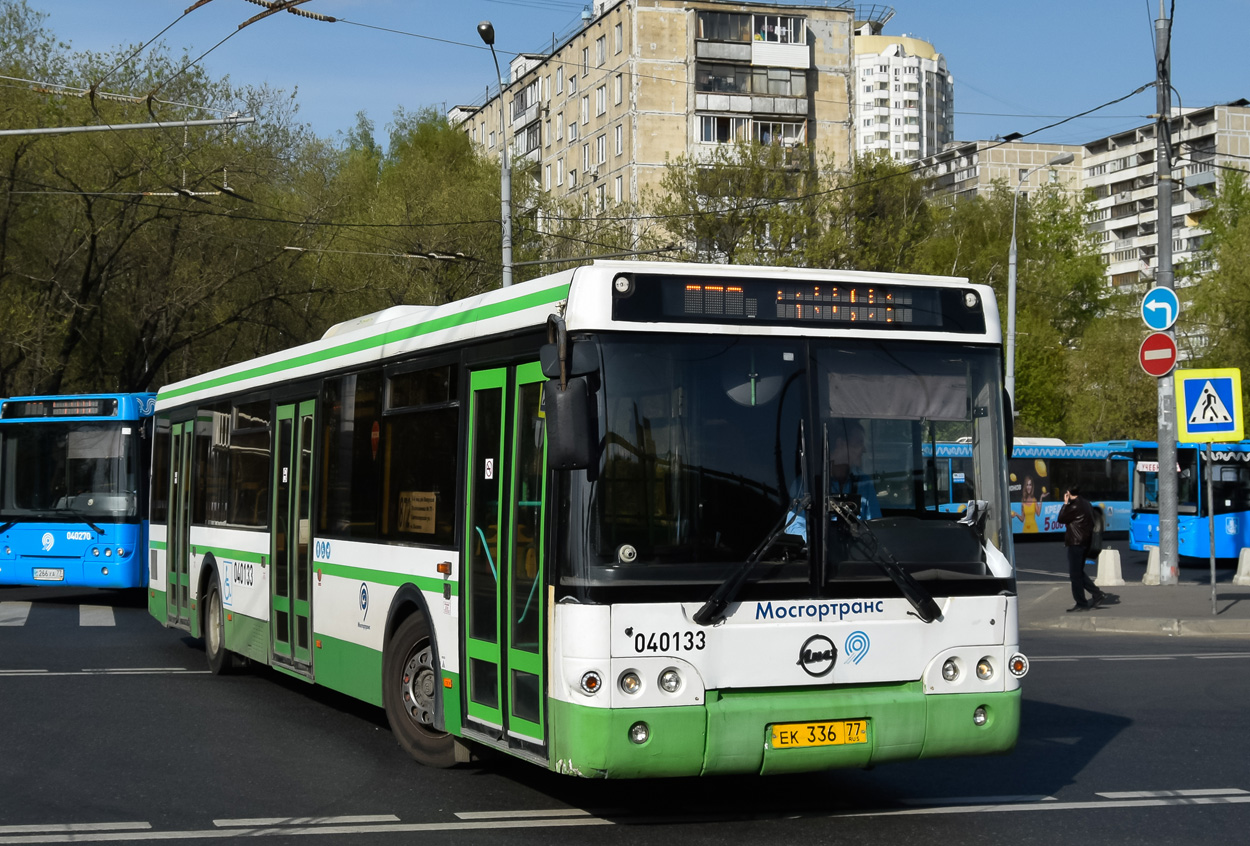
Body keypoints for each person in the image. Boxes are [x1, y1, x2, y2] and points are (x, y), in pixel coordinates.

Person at [784, 419, 880, 540]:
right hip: (820, 556)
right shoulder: (806, 483)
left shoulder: (864, 482)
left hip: (859, 555)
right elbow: (793, 527)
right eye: (858, 443)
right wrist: (821, 541)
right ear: (840, 444)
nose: (864, 450)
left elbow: (876, 527)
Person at [1057, 484, 1115, 612]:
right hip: (1085, 542)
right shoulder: (1087, 503)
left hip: (1076, 542)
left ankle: (1082, 603)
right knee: (1078, 572)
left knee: (1075, 575)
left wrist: (1065, 503)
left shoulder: (1073, 506)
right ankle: (1097, 594)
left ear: (1068, 493)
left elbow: (1060, 519)